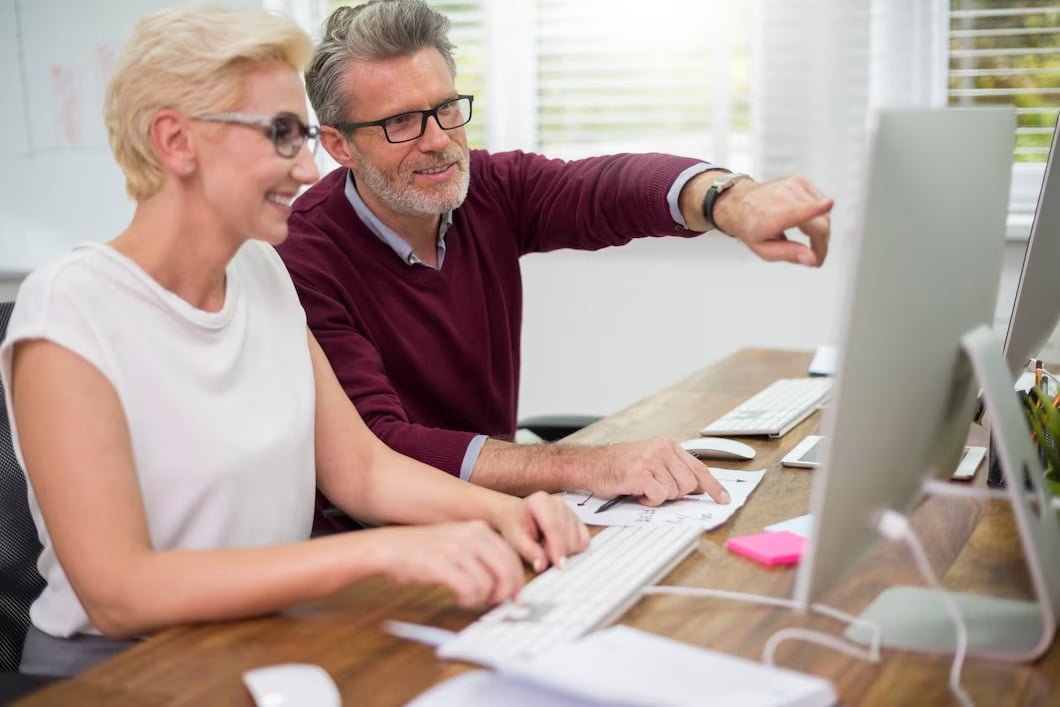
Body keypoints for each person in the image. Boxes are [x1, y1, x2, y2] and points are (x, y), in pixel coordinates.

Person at [0, 6, 586, 678]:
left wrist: (510, 516)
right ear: (176, 140)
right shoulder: (73, 306)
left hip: (267, 644)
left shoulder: (262, 272)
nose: (310, 169)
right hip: (127, 672)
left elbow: (361, 471)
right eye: (281, 134)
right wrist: (380, 554)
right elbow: (120, 591)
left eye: (305, 134)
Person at [278, 0, 833, 530]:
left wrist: (730, 201)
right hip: (379, 549)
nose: (440, 142)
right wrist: (582, 463)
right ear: (339, 145)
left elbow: (604, 190)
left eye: (446, 109)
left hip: (506, 523)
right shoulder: (303, 257)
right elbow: (379, 447)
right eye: (402, 122)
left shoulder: (485, 190)